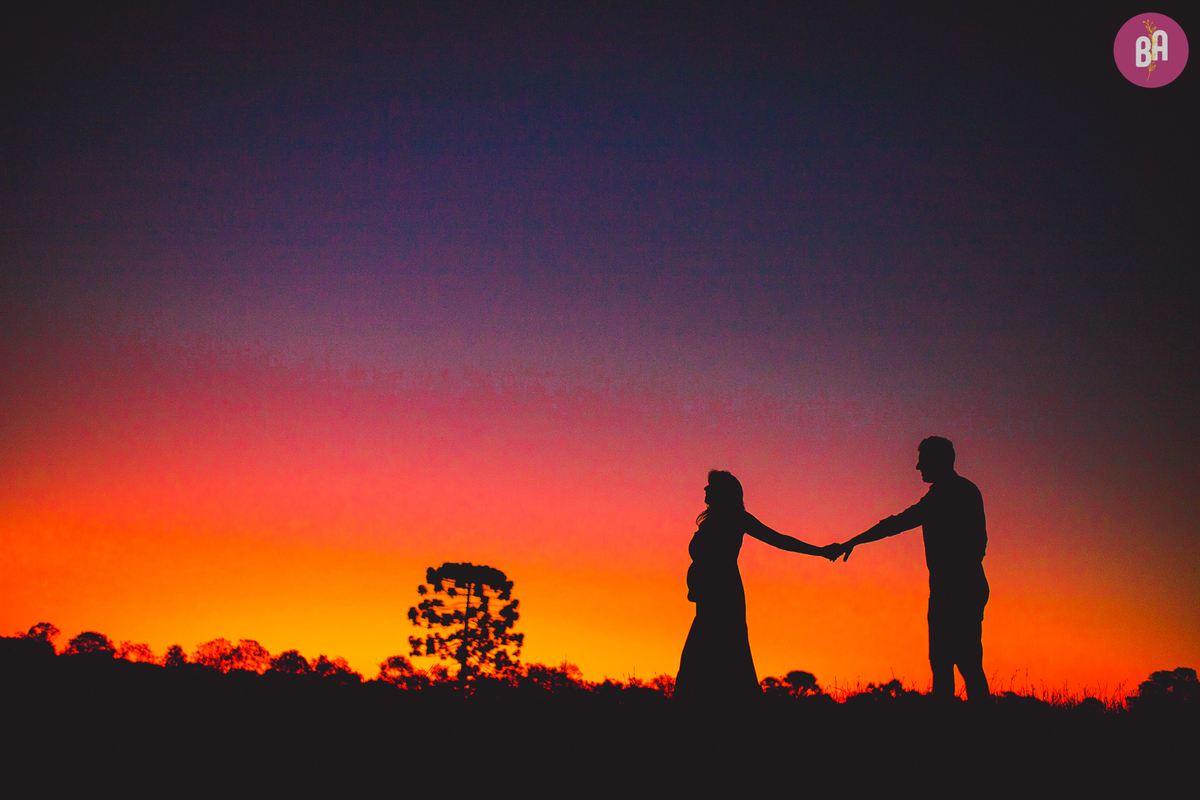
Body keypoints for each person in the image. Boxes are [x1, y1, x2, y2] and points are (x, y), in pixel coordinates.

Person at [834, 436, 991, 703]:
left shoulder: (945, 495)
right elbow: (980, 544)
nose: (918, 467)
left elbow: (896, 523)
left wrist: (854, 541)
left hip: (955, 591)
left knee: (953, 663)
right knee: (961, 662)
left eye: (923, 460)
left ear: (939, 461)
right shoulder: (961, 491)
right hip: (961, 588)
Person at [674, 470, 840, 706]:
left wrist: (821, 551)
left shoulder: (736, 517)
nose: (705, 489)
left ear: (724, 492)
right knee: (704, 655)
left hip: (723, 595)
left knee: (715, 653)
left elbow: (779, 540)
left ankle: (726, 709)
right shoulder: (712, 521)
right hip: (709, 597)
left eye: (711, 486)